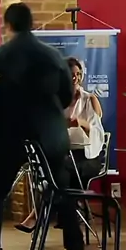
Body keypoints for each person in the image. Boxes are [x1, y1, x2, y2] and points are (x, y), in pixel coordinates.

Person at [0, 2, 86, 250]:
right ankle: (75, 247)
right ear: (31, 23)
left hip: (7, 131)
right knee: (61, 187)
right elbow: (66, 95)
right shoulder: (53, 56)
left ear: (7, 25)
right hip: (49, 132)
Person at [17, 56, 105, 232]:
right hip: (63, 153)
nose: (75, 78)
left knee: (59, 172)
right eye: (71, 74)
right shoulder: (56, 100)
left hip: (87, 156)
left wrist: (80, 122)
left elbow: (98, 130)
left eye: (78, 74)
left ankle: (39, 214)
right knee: (52, 171)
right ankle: (66, 215)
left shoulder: (89, 99)